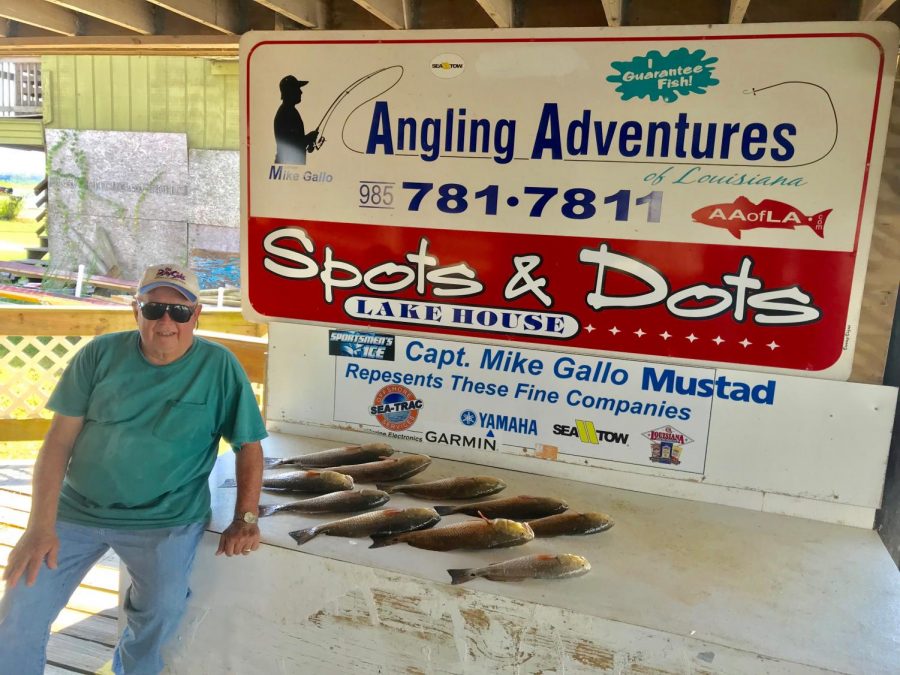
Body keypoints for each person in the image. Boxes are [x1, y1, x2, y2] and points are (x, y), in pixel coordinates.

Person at [0, 263, 267, 675]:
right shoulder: (99, 354)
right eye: (154, 308)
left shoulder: (220, 367)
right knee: (19, 606)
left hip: (166, 518)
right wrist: (39, 525)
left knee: (160, 613)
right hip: (77, 510)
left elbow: (248, 445)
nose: (166, 321)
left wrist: (245, 517)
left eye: (179, 312)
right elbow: (58, 443)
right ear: (135, 310)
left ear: (196, 315)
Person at [274, 74, 319, 164]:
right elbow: (291, 146)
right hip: (287, 168)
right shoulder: (286, 113)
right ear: (290, 92)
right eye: (297, 89)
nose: (300, 92)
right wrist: (309, 138)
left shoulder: (289, 111)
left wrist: (307, 141)